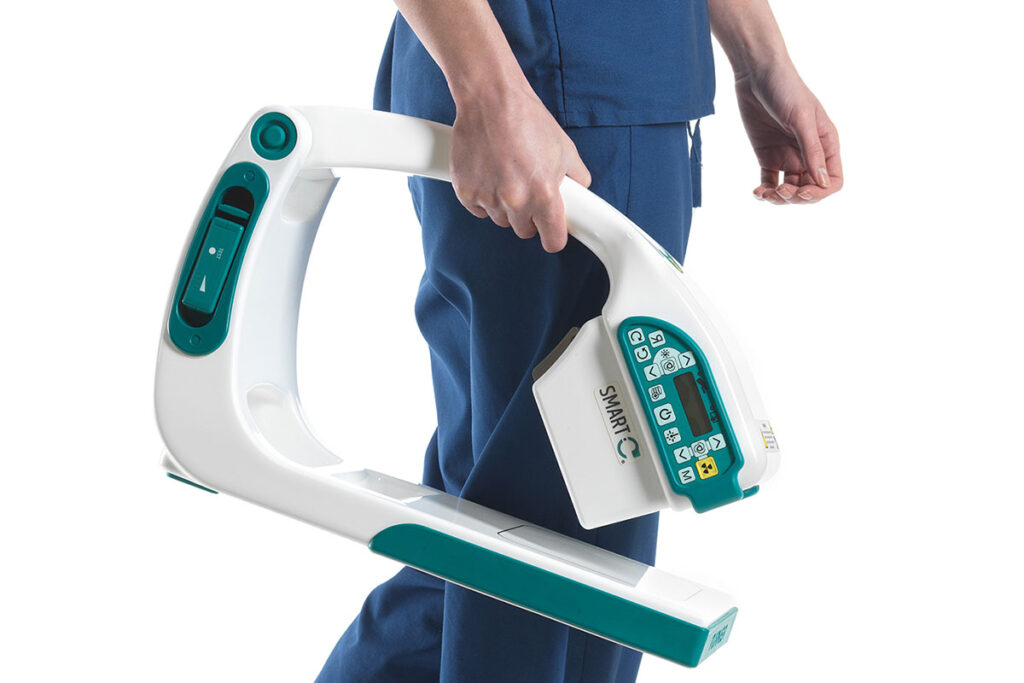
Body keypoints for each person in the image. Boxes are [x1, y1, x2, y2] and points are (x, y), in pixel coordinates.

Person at [317, 1, 842, 681]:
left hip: (567, 85)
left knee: (479, 526)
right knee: (557, 566)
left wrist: (758, 61)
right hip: (555, 98)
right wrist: (493, 89)